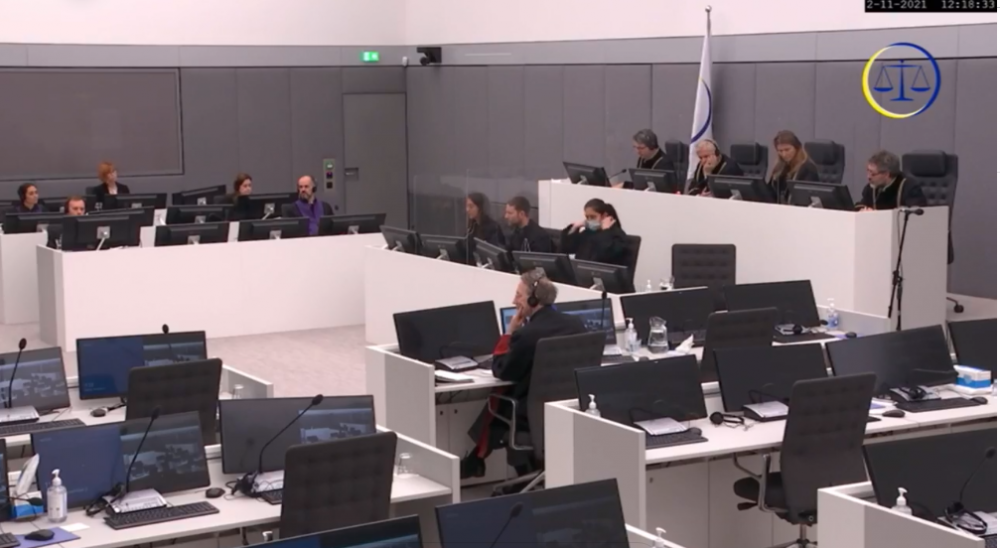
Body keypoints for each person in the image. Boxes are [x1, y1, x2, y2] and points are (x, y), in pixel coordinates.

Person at [462, 270, 587, 479]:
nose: (514, 301)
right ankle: (479, 459)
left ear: (533, 300)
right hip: (569, 411)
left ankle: (480, 459)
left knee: (500, 399)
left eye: (519, 295)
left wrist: (509, 332)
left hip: (532, 417)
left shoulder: (526, 334)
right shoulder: (577, 325)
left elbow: (501, 370)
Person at [560, 198, 631, 268]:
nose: (589, 220)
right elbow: (567, 249)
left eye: (593, 217)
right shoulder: (588, 232)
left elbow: (606, 254)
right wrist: (574, 228)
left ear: (604, 216)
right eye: (587, 217)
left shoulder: (617, 234)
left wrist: (605, 231)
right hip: (582, 272)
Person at [856, 150, 928, 211]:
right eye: (868, 171)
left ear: (886, 174)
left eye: (872, 174)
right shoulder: (871, 187)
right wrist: (863, 210)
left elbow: (916, 213)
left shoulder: (909, 187)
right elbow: (861, 205)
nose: (868, 177)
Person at [767, 131, 819, 203]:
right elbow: (770, 191)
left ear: (796, 148)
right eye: (780, 151)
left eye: (787, 150)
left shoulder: (808, 168)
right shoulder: (779, 167)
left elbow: (805, 198)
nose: (784, 154)